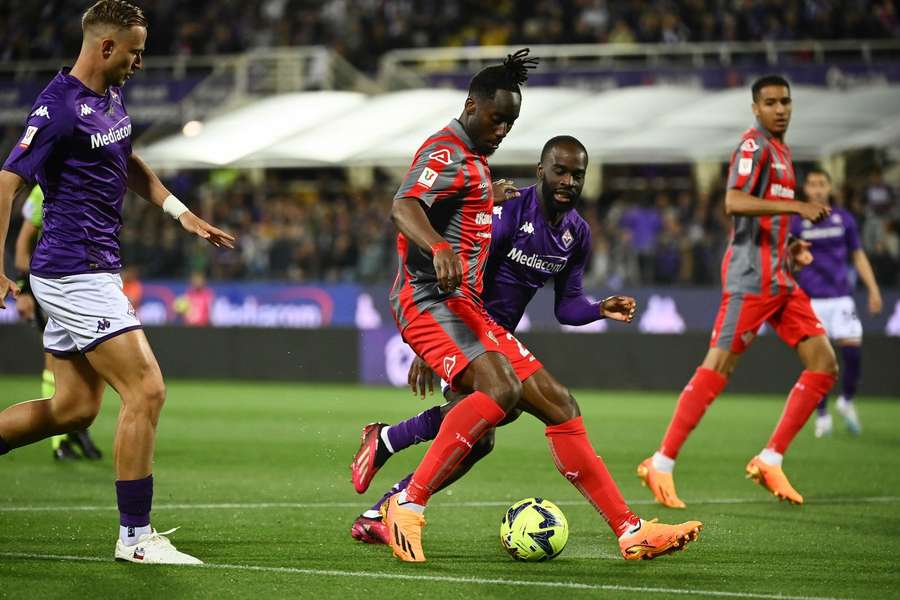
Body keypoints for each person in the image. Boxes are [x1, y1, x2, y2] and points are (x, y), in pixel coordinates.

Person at [380, 48, 701, 563]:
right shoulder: (462, 167)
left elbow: (566, 305)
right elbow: (408, 209)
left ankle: (630, 530)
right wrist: (439, 334)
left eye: (510, 121)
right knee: (494, 405)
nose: (502, 128)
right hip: (450, 312)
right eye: (496, 117)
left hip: (474, 322)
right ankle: (403, 502)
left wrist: (598, 309)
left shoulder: (563, 224)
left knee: (555, 407)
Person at [0, 0, 234, 564]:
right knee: (146, 389)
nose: (140, 62)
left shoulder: (108, 97)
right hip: (72, 269)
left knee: (73, 410)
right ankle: (135, 538)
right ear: (106, 47)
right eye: (135, 51)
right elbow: (6, 183)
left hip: (91, 266)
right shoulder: (57, 109)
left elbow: (128, 161)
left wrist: (181, 212)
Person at [349, 135, 637, 544]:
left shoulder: (577, 233)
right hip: (466, 324)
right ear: (541, 171)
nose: (569, 181)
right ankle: (393, 482)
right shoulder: (506, 213)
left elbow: (566, 304)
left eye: (578, 175)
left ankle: (384, 487)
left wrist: (598, 308)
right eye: (560, 171)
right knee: (509, 410)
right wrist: (438, 343)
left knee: (481, 434)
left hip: (494, 333)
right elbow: (466, 275)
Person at [636, 75, 838, 509]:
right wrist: (799, 207)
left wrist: (792, 245)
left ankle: (770, 458)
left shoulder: (783, 153)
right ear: (755, 108)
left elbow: (765, 217)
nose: (780, 109)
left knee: (823, 363)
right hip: (751, 278)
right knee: (719, 366)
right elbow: (734, 201)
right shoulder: (754, 147)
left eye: (786, 101)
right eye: (770, 102)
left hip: (781, 277)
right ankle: (662, 462)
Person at [14, 185, 103, 460]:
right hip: (53, 283)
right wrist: (24, 290)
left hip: (85, 283)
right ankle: (58, 443)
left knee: (90, 360)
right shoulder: (43, 188)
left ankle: (78, 430)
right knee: (54, 361)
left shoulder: (92, 178)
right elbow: (23, 242)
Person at [791, 168, 882, 437]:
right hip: (811, 302)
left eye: (822, 184)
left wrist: (873, 289)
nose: (817, 189)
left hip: (842, 298)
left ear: (829, 188)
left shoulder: (844, 219)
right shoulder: (797, 223)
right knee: (819, 363)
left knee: (853, 353)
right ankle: (822, 416)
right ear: (806, 190)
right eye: (813, 185)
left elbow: (858, 256)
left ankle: (846, 400)